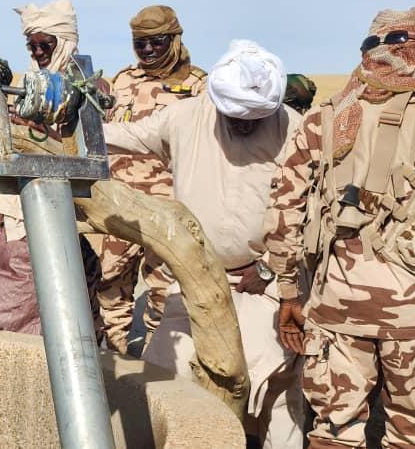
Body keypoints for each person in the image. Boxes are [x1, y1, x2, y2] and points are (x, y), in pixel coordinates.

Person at [104, 40, 303, 447]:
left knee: (277, 387)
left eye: (256, 118)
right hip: (193, 279)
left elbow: (309, 210)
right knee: (163, 377)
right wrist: (68, 126)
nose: (245, 124)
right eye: (236, 116)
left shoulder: (293, 127)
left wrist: (268, 267)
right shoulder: (183, 118)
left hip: (264, 285)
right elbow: (124, 136)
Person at [265, 8, 415, 448]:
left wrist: (289, 290)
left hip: (337, 307)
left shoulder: (328, 115)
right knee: (414, 436)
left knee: (333, 433)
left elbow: (283, 208)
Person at [0, 0, 99, 335]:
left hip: (45, 223)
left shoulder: (82, 90)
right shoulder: (35, 83)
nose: (37, 52)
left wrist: (34, 132)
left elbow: (81, 152)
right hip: (17, 220)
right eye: (31, 45)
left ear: (64, 41)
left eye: (45, 44)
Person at [97, 5, 206, 356]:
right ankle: (117, 362)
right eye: (139, 43)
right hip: (120, 204)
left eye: (155, 42)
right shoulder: (124, 80)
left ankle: (159, 368)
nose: (146, 51)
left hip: (168, 207)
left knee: (165, 293)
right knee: (110, 285)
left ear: (174, 40)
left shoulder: (198, 86)